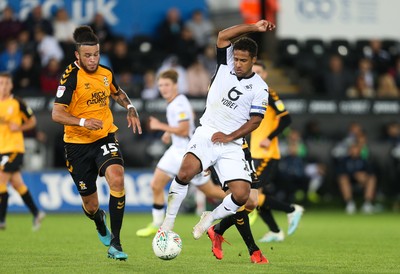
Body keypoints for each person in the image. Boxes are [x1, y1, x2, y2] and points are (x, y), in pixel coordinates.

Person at [158, 20, 275, 264]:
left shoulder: (260, 88)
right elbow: (223, 35)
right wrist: (254, 26)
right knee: (185, 171)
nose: (238, 63)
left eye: (244, 60)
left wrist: (230, 137)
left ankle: (211, 218)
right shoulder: (225, 65)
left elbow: (255, 121)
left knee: (242, 196)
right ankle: (166, 225)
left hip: (232, 143)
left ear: (254, 59)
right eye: (237, 58)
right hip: (208, 132)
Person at [52, 26, 142, 260]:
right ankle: (99, 221)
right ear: (77, 56)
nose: (93, 60)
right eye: (88, 56)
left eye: (96, 54)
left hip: (104, 137)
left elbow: (117, 93)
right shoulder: (70, 77)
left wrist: (130, 106)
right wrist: (82, 121)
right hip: (76, 145)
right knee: (91, 206)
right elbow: (57, 114)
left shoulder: (106, 72)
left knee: (117, 177)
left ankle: (116, 243)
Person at [206, 61, 304, 264]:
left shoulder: (267, 92)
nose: (256, 74)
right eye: (254, 71)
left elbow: (286, 119)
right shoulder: (243, 93)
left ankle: (290, 211)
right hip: (243, 152)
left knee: (250, 199)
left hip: (265, 153)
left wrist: (270, 137)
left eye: (259, 71)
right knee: (251, 200)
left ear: (265, 74)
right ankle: (271, 232)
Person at [136, 69, 226, 237]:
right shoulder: (177, 102)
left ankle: (241, 200)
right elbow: (189, 118)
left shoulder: (178, 103)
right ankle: (157, 224)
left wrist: (160, 126)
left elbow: (184, 130)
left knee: (211, 192)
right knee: (155, 184)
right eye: (161, 85)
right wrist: (169, 132)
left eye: (167, 85)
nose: (163, 88)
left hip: (188, 152)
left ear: (175, 85)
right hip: (175, 151)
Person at [0, 72, 45, 231]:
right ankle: (37, 213)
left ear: (11, 85)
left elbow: (32, 121)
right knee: (17, 183)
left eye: (6, 83)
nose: (3, 86)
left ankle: (1, 220)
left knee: (0, 182)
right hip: (1, 149)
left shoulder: (17, 103)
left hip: (14, 148)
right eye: (1, 83)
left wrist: (19, 127)